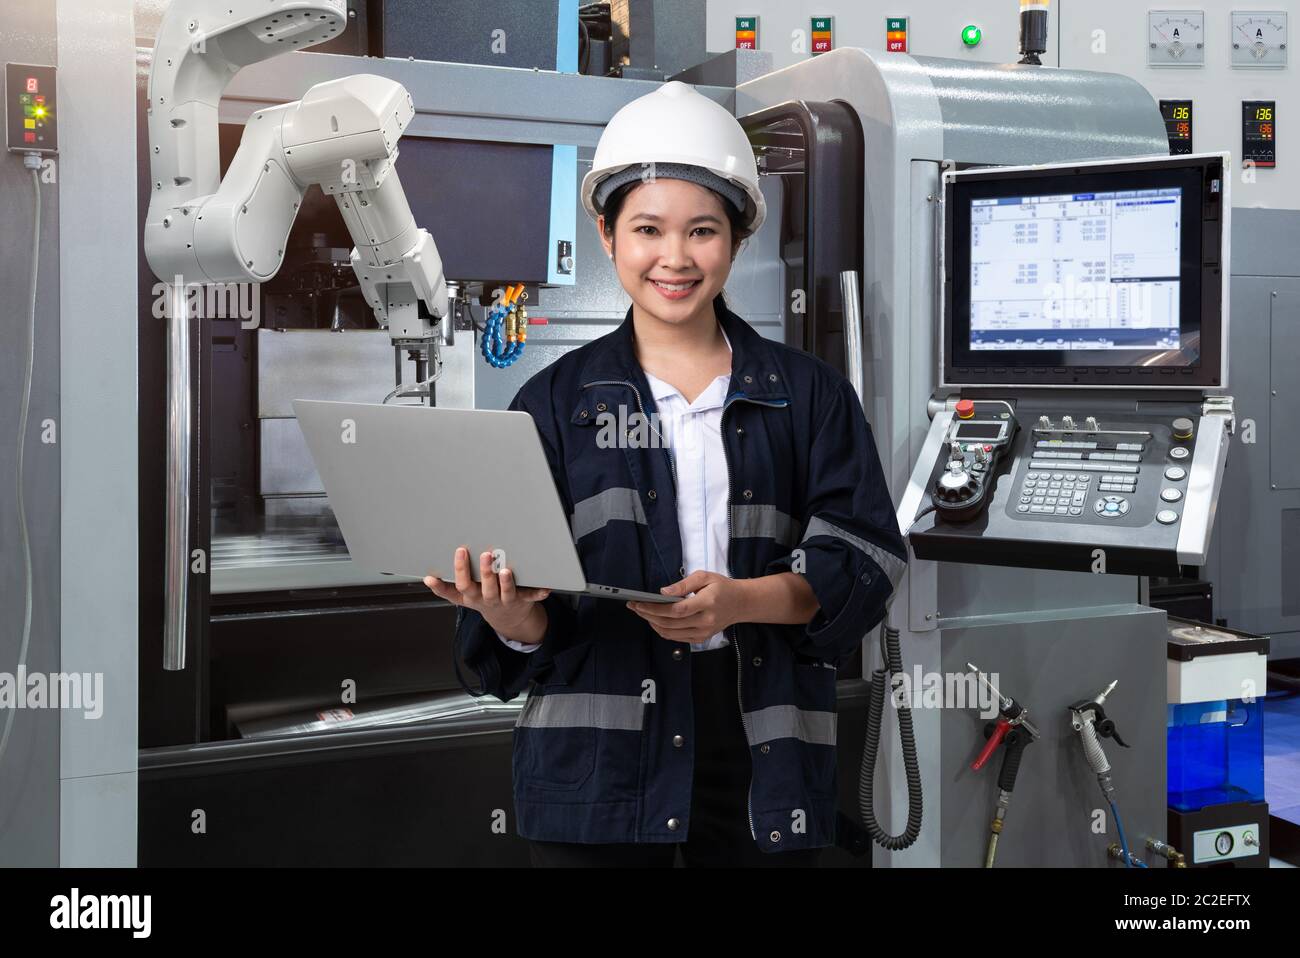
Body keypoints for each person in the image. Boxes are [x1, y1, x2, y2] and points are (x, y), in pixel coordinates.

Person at [427, 81, 905, 867]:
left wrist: (741, 601)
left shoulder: (808, 392)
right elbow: (523, 635)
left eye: (702, 231)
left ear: (737, 240)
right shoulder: (551, 404)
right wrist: (508, 615)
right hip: (598, 777)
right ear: (608, 235)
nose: (675, 258)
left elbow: (869, 558)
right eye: (647, 228)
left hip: (764, 762)